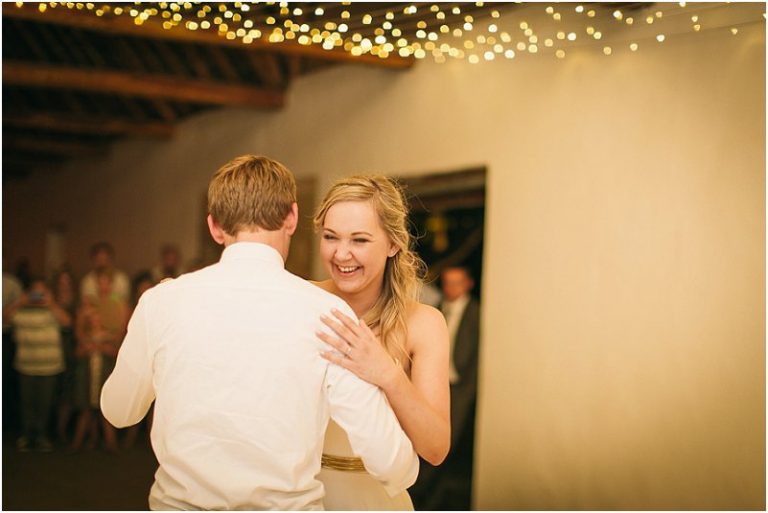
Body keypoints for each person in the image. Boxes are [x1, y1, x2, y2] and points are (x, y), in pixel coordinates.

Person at [100, 155, 418, 510]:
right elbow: (390, 459)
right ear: (292, 217)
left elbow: (119, 412)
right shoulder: (328, 314)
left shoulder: (161, 302)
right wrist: (405, 472)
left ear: (214, 227)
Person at [311, 175, 450, 510]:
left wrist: (387, 374)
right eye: (330, 237)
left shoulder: (423, 324)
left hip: (377, 499)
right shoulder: (301, 300)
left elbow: (435, 449)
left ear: (393, 244)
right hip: (301, 493)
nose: (341, 254)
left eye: (359, 240)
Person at [3, 277, 71, 452]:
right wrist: (20, 302)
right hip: (26, 365)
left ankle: (41, 436)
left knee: (45, 404)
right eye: (35, 292)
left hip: (50, 366)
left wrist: (51, 303)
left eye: (42, 292)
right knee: (26, 403)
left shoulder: (53, 310)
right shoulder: (21, 311)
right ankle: (26, 436)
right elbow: (5, 317)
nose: (38, 296)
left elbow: (66, 321)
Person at [71, 271, 129, 452]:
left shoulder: (118, 305)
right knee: (86, 406)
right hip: (88, 366)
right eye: (100, 283)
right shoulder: (88, 305)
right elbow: (79, 334)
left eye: (107, 283)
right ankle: (82, 442)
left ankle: (110, 444)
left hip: (106, 364)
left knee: (105, 405)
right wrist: (88, 343)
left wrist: (106, 345)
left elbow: (119, 337)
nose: (103, 286)